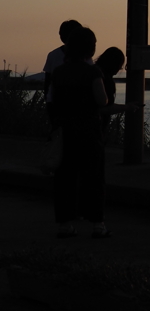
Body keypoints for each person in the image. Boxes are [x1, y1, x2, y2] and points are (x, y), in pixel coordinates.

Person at [50, 27, 113, 238]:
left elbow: (53, 100)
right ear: (90, 48)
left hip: (66, 129)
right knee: (94, 177)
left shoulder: (59, 72)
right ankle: (97, 223)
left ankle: (65, 224)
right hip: (89, 130)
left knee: (65, 178)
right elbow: (101, 100)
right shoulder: (93, 72)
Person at [42, 19, 83, 127]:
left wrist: (47, 97)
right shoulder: (85, 56)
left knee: (57, 131)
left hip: (54, 100)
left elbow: (48, 79)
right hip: (76, 102)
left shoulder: (53, 55)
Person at [94, 46, 126, 143]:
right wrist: (126, 107)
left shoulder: (92, 71)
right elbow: (105, 108)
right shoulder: (105, 79)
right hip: (96, 127)